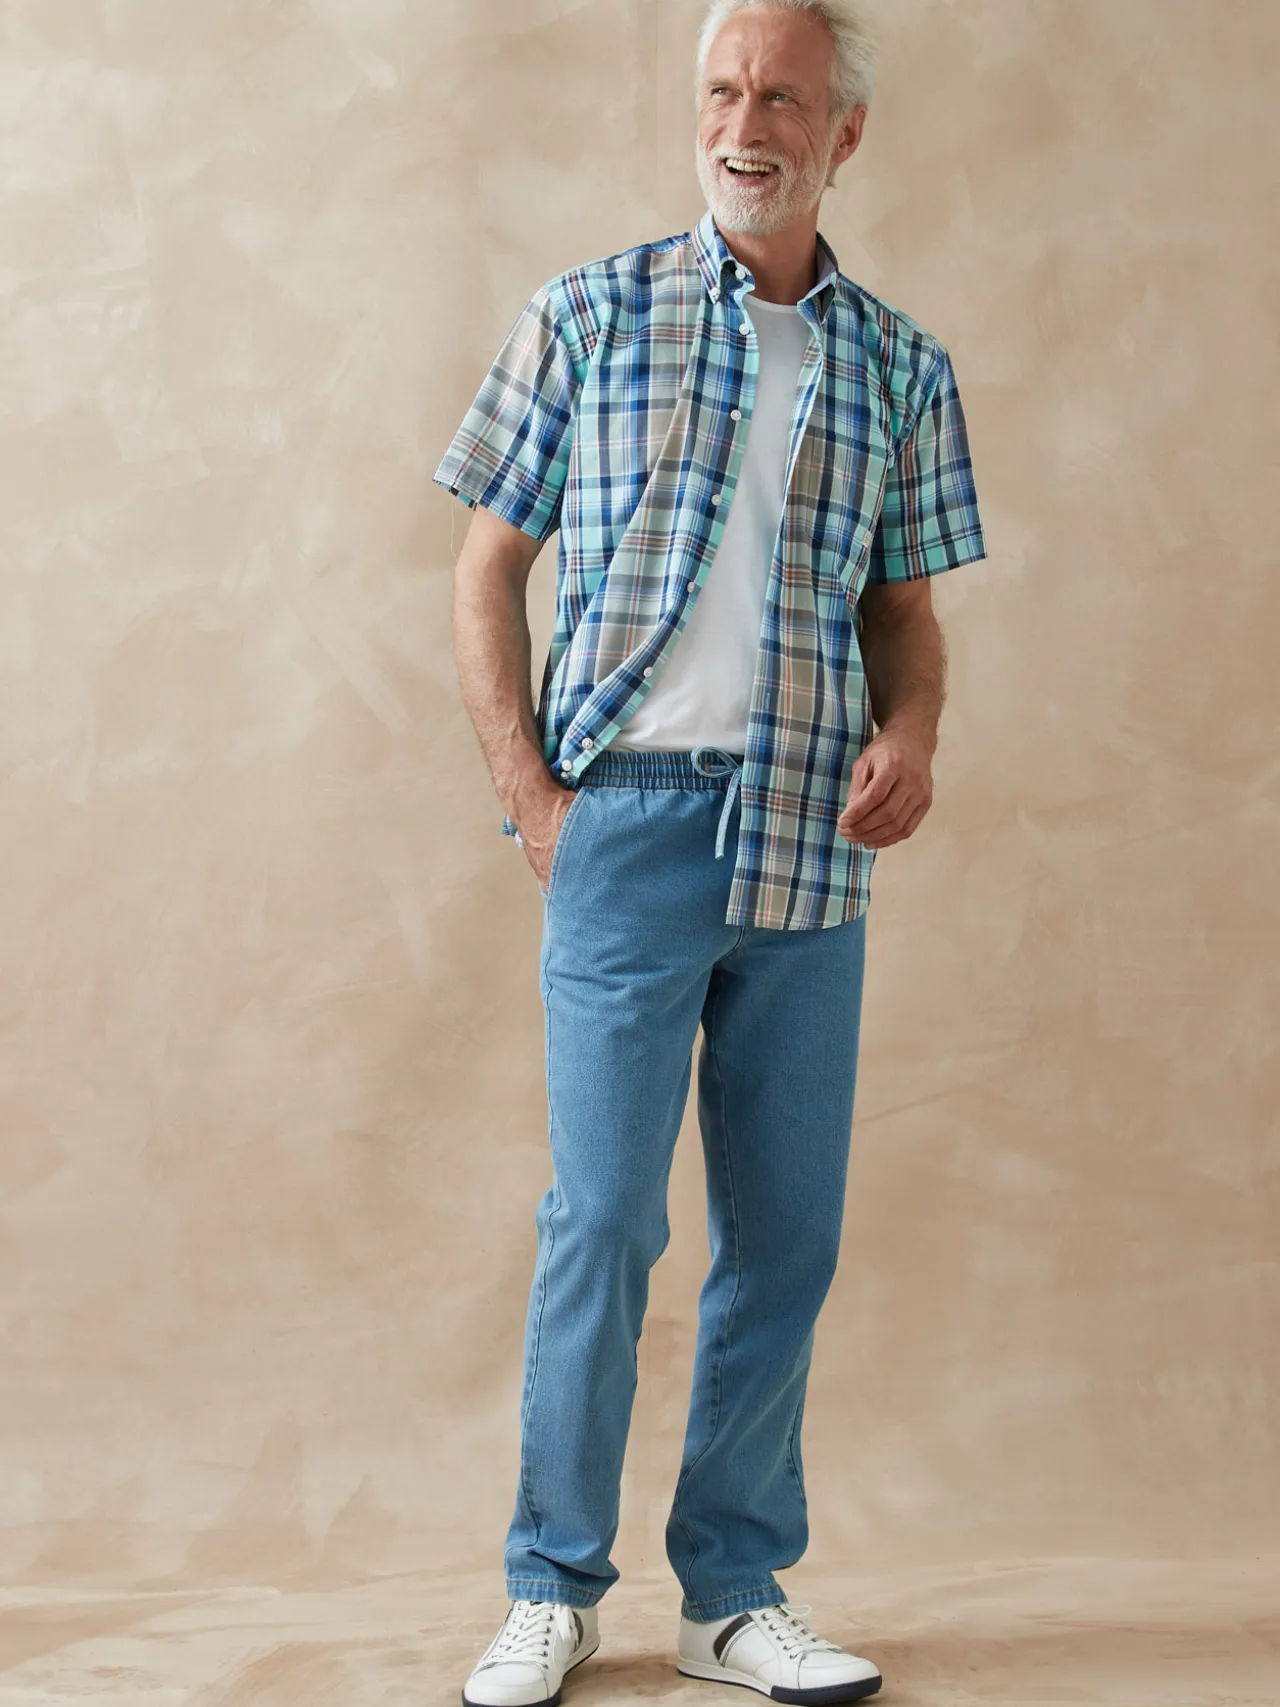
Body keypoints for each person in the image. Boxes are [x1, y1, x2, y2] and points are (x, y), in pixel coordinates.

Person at [435, 1, 987, 1701]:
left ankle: (732, 1592)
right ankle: (551, 1585)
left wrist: (915, 732)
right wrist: (536, 798)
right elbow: (484, 567)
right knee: (605, 1218)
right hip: (626, 819)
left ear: (845, 132)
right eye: (725, 90)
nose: (747, 123)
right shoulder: (588, 314)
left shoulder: (901, 366)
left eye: (785, 98)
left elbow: (908, 617)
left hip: (813, 835)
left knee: (787, 1236)